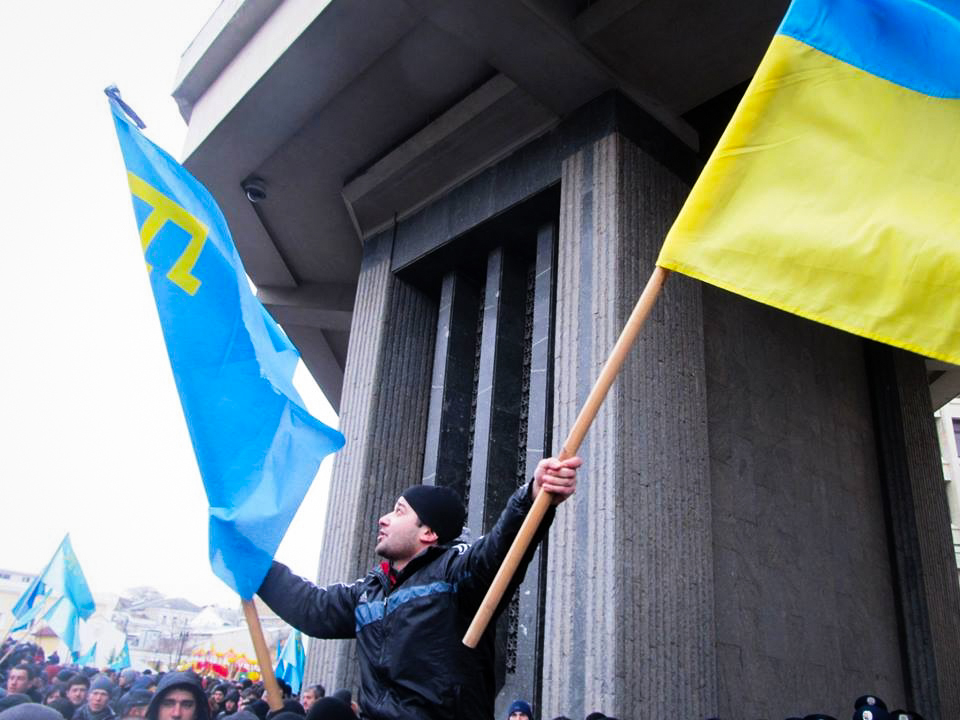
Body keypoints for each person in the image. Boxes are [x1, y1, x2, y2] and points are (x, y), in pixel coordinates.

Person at [257, 456, 581, 720]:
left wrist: (533, 497)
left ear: (428, 532)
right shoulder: (369, 591)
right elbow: (312, 608)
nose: (383, 519)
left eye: (398, 511)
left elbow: (498, 551)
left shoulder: (455, 572)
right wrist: (255, 565)